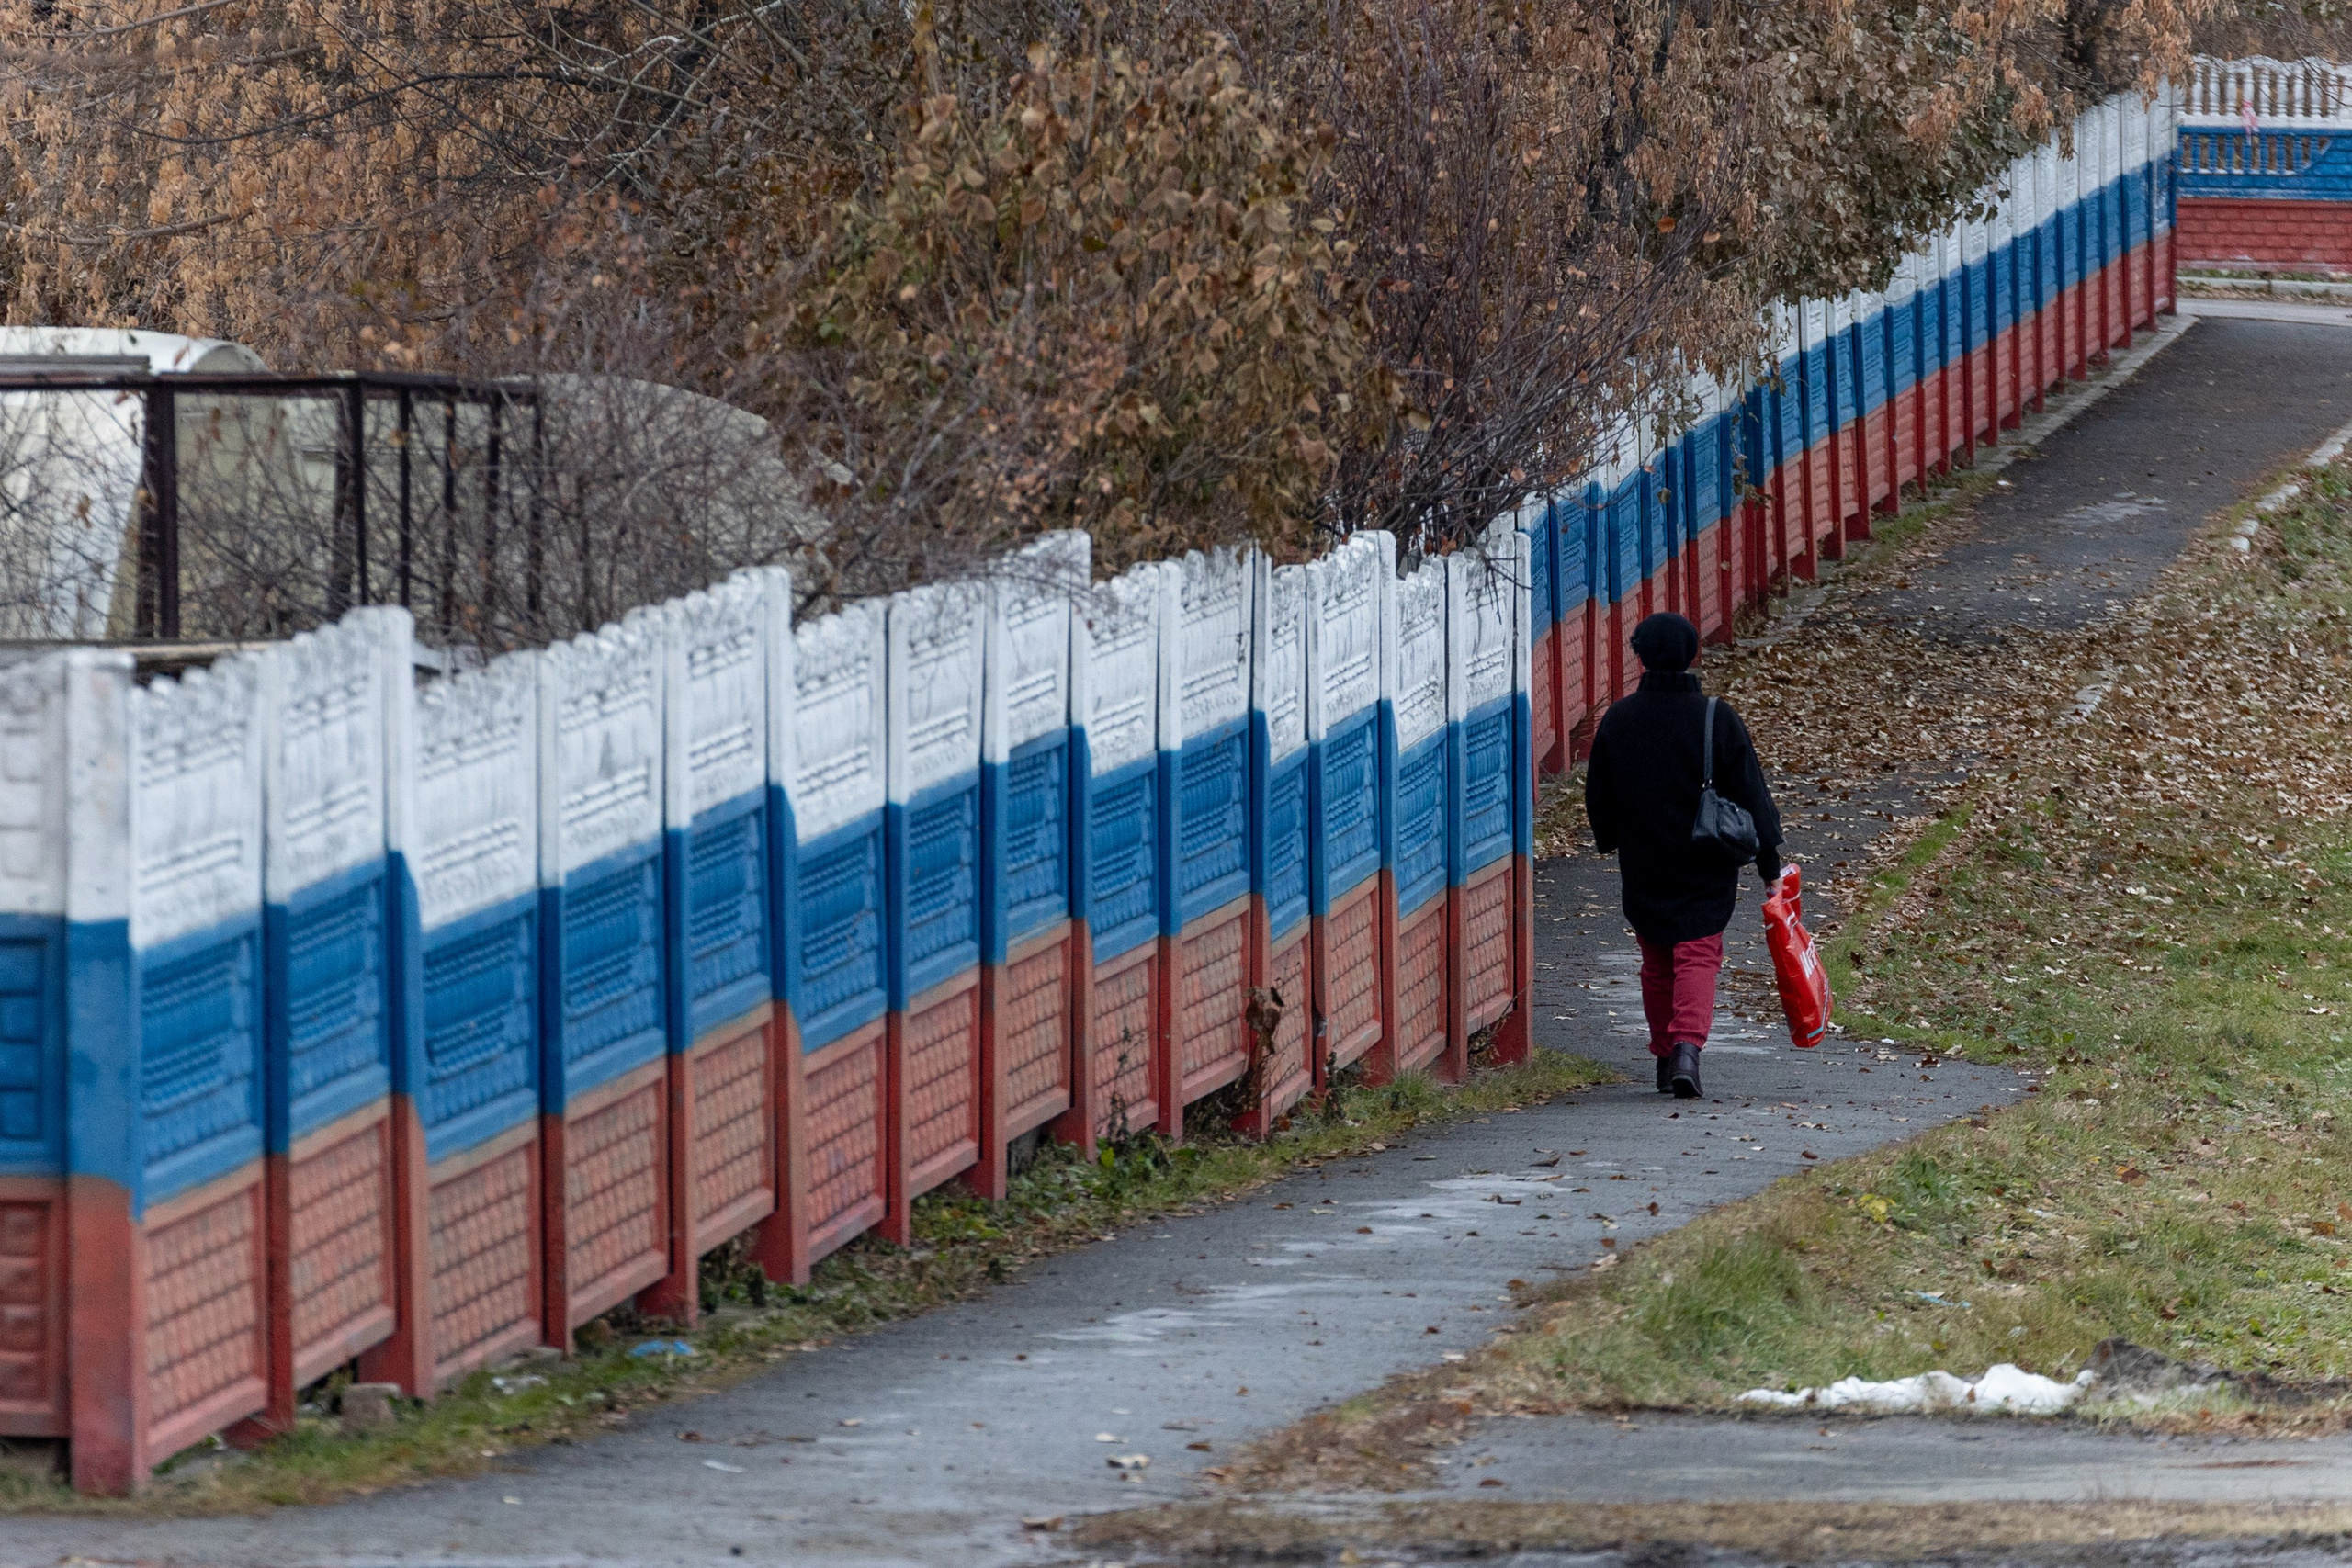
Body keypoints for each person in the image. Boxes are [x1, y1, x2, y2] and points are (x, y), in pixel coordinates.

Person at [1584, 612, 1783, 1100]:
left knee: (1655, 957)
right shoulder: (1717, 717)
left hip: (1645, 856)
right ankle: (1686, 1050)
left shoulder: (1620, 718)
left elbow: (1598, 793)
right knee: (1698, 953)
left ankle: (1662, 1056)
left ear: (1640, 655)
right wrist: (1769, 867)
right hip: (1706, 857)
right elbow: (1752, 793)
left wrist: (1611, 837)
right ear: (1694, 653)